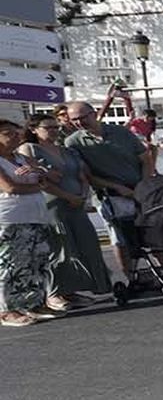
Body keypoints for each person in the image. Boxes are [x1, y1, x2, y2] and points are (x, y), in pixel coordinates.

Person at [18, 114, 112, 305]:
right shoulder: (29, 149)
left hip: (76, 203)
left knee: (85, 244)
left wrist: (83, 195)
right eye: (48, 128)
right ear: (34, 129)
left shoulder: (67, 150)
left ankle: (74, 289)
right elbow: (40, 180)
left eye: (55, 127)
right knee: (59, 247)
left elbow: (82, 175)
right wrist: (67, 196)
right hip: (52, 205)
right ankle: (54, 293)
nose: (53, 131)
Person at [62, 100, 154, 283]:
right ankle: (131, 278)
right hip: (109, 196)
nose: (79, 123)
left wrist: (143, 185)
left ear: (94, 114)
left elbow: (145, 159)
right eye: (74, 120)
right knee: (119, 239)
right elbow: (86, 175)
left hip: (139, 191)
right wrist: (116, 187)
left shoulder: (121, 132)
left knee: (153, 233)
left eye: (83, 117)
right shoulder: (73, 142)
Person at [0, 119, 57, 327]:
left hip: (36, 214)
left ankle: (34, 303)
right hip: (11, 218)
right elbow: (10, 188)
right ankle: (7, 310)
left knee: (37, 261)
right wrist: (37, 185)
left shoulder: (20, 157)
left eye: (16, 133)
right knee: (11, 264)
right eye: (7, 134)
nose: (15, 137)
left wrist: (39, 176)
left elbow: (45, 178)